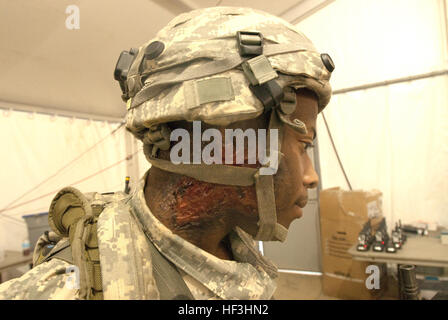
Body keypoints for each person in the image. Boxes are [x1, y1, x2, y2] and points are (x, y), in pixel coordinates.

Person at [0, 6, 333, 300]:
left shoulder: (232, 248)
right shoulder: (67, 288)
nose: (311, 176)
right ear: (226, 140)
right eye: (304, 146)